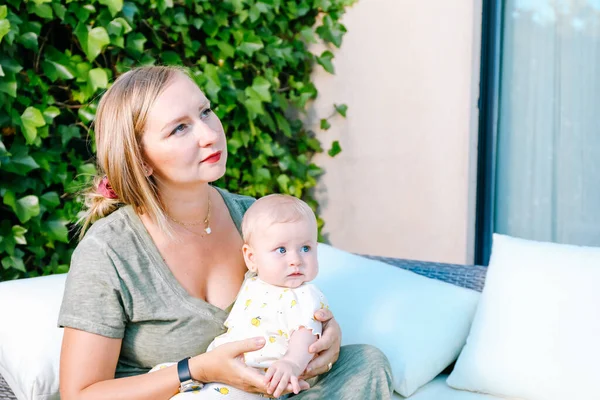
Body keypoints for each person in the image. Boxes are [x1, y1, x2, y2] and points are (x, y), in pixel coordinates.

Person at [57, 65, 394, 400]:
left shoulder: (255, 218)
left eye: (205, 111)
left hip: (267, 391)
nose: (209, 134)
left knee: (366, 362)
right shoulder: (109, 251)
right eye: (179, 129)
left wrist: (325, 343)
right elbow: (80, 394)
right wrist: (197, 369)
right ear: (141, 160)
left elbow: (292, 308)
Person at [152, 194, 330, 399]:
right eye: (281, 250)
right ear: (251, 258)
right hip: (218, 369)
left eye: (305, 248)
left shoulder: (304, 294)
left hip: (259, 379)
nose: (295, 260)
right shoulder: (253, 282)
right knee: (167, 378)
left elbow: (306, 335)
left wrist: (292, 363)